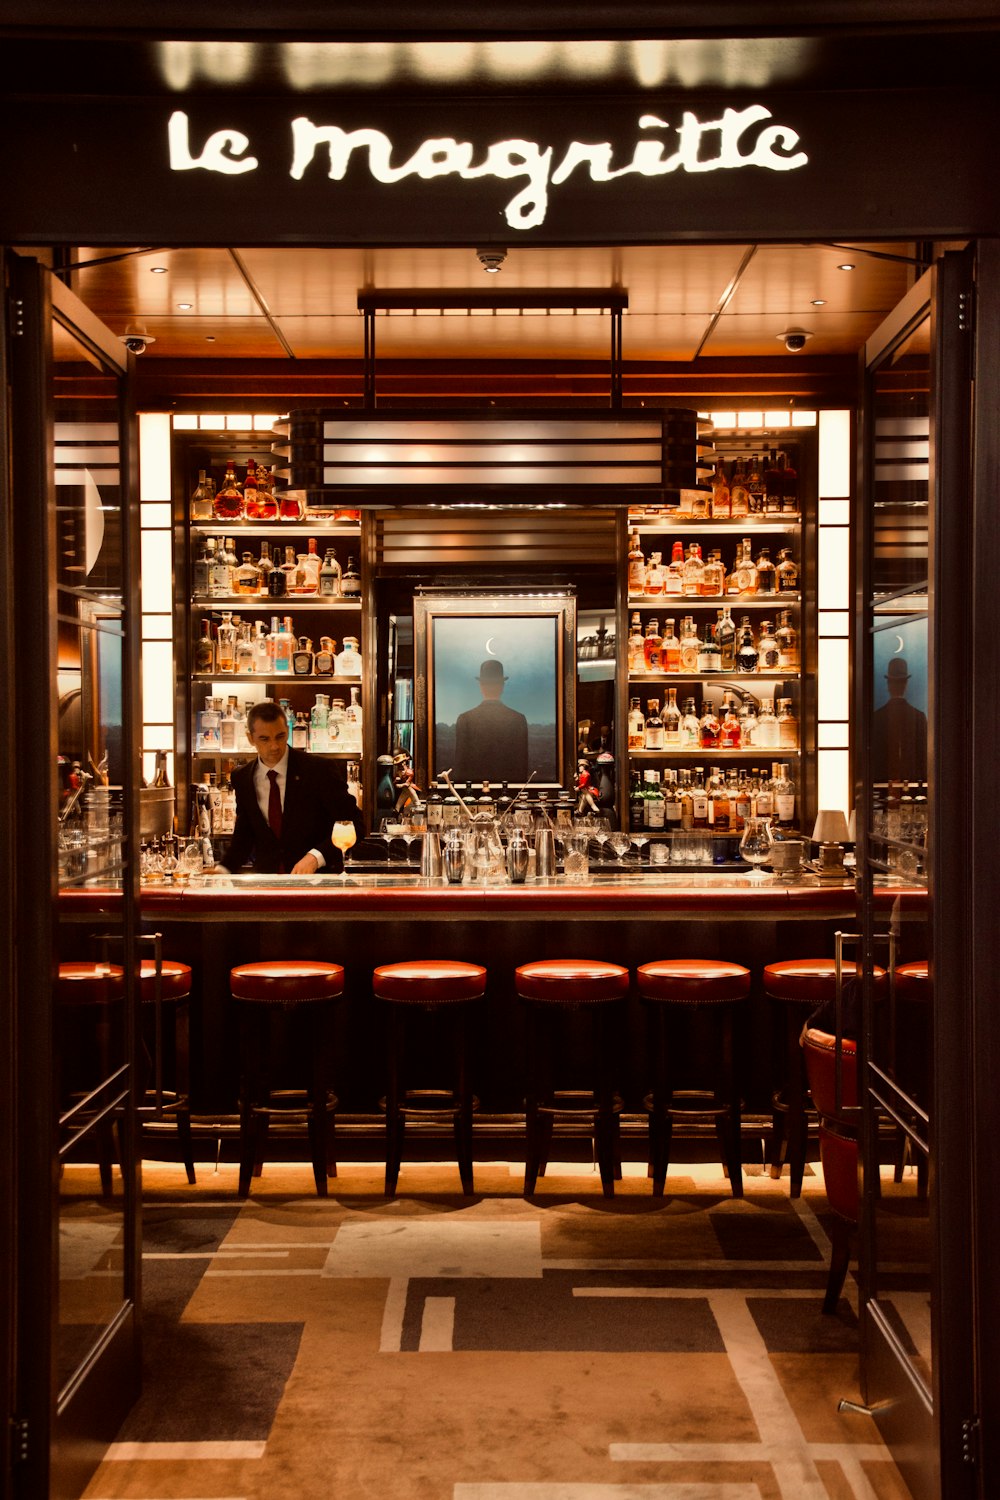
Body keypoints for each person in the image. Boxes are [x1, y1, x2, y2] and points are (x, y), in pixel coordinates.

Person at [218, 701, 363, 874]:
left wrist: (316, 857)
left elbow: (355, 823)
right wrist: (222, 869)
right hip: (268, 884)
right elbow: (244, 835)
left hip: (317, 883)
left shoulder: (319, 770)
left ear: (287, 730)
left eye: (280, 736)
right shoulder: (242, 777)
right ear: (250, 738)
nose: (274, 746)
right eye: (264, 739)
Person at [453, 658, 529, 784]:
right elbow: (522, 768)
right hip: (509, 794)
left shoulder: (465, 719)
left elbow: (460, 767)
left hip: (473, 796)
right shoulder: (518, 719)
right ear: (502, 686)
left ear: (481, 686)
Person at [871, 657, 928, 785]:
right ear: (906, 684)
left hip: (880, 785)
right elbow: (924, 759)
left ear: (888, 684)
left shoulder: (876, 718)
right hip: (913, 786)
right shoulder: (918, 717)